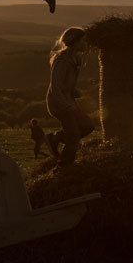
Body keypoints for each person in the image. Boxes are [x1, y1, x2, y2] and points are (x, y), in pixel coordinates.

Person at [45, 27, 94, 165]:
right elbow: (56, 87)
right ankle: (64, 166)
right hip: (59, 103)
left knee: (88, 125)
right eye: (83, 40)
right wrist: (66, 105)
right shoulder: (61, 60)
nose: (86, 43)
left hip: (68, 101)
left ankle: (55, 138)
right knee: (74, 136)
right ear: (75, 41)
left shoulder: (75, 59)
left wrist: (75, 92)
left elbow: (66, 84)